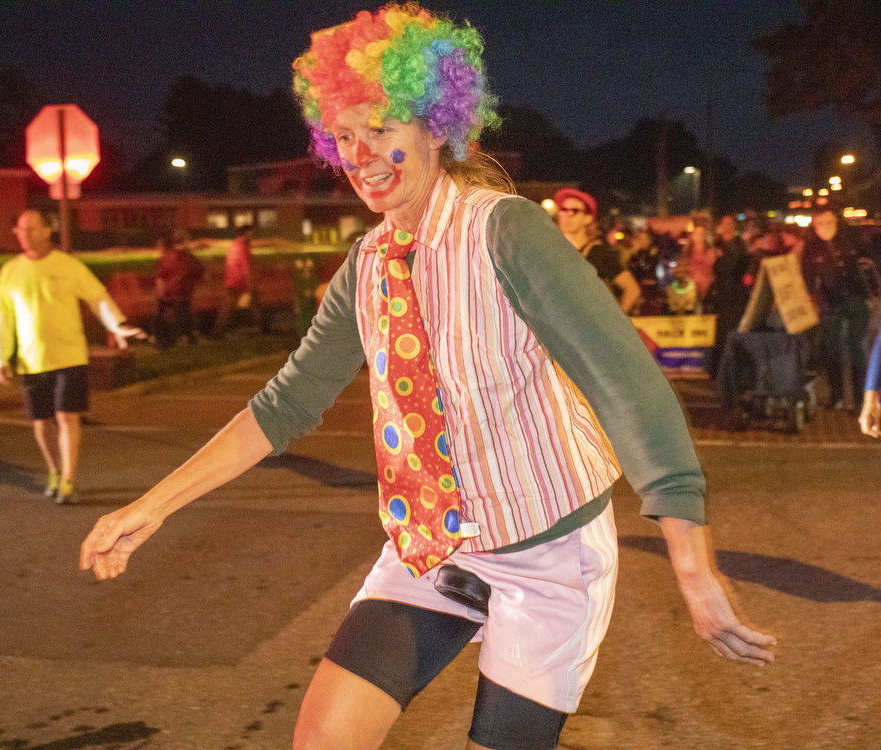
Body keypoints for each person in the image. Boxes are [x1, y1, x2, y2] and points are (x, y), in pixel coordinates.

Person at [80, 6, 776, 750]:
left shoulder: (506, 232)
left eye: (380, 128)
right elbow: (283, 405)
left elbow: (628, 388)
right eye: (344, 137)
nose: (361, 155)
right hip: (431, 547)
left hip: (549, 554)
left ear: (437, 126)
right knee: (322, 740)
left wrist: (694, 571)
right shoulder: (366, 267)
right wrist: (153, 506)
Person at [0, 209, 143, 504]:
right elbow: (3, 318)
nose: (24, 235)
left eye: (31, 229)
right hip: (32, 360)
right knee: (41, 421)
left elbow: (97, 297)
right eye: (20, 230)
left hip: (70, 356)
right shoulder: (10, 271)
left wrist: (117, 324)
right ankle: (54, 471)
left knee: (66, 415)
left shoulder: (68, 265)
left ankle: (69, 480)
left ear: (47, 231)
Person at [801, 207, 872, 410]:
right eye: (820, 223)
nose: (825, 227)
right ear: (814, 226)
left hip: (856, 298)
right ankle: (837, 396)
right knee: (831, 349)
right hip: (830, 302)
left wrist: (869, 294)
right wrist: (811, 299)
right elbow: (806, 275)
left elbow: (866, 264)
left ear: (836, 222)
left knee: (856, 348)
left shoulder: (849, 240)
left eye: (829, 222)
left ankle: (859, 399)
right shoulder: (811, 247)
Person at [554, 187, 641, 314]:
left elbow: (632, 289)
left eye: (574, 211)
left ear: (587, 218)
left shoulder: (600, 254)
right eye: (563, 210)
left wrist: (614, 319)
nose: (567, 215)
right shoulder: (551, 253)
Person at [709, 215, 752, 376]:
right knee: (722, 332)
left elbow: (745, 265)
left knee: (737, 329)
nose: (728, 226)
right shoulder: (716, 245)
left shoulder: (740, 244)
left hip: (737, 293)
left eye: (730, 223)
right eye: (724, 223)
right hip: (722, 294)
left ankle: (738, 367)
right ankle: (721, 368)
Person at [153, 231, 205, 348]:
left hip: (168, 293)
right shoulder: (190, 258)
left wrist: (161, 294)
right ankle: (187, 338)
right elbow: (201, 275)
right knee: (184, 316)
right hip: (183, 293)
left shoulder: (167, 257)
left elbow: (160, 276)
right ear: (185, 241)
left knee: (169, 317)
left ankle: (166, 340)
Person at [213, 226, 255, 337]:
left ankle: (222, 330)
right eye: (250, 233)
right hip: (239, 281)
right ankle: (219, 331)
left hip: (231, 280)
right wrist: (248, 285)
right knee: (229, 307)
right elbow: (245, 266)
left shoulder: (234, 245)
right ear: (246, 233)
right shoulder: (243, 246)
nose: (252, 236)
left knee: (229, 307)